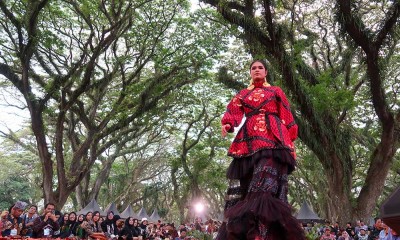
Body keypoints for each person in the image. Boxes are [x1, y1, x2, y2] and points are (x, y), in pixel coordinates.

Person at [217, 60, 304, 240]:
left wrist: (290, 137)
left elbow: (287, 114)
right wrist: (227, 124)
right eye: (253, 68)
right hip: (247, 144)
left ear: (266, 72)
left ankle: (262, 234)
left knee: (264, 188)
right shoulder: (242, 94)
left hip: (273, 140)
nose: (257, 70)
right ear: (250, 73)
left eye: (260, 68)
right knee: (248, 189)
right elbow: (233, 111)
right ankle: (252, 232)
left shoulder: (276, 91)